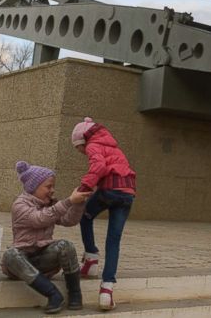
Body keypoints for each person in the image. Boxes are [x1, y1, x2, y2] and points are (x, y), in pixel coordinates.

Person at [1, 161, 92, 314]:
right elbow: (39, 219)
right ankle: (53, 294)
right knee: (10, 255)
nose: (52, 190)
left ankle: (75, 294)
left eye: (52, 186)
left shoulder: (49, 204)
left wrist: (78, 204)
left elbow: (69, 220)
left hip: (42, 260)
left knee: (66, 245)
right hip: (21, 263)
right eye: (48, 187)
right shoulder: (19, 205)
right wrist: (69, 201)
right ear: (33, 187)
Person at [72, 117, 137, 311]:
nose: (81, 152)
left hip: (109, 190)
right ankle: (106, 290)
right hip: (127, 193)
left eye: (78, 148)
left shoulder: (93, 145)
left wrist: (83, 188)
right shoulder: (113, 147)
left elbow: (99, 167)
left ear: (82, 141)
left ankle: (91, 259)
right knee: (113, 240)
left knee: (85, 216)